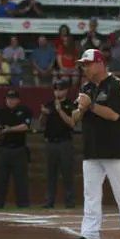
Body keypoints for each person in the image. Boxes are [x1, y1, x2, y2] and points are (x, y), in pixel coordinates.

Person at [69, 49, 120, 239]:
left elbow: (115, 115)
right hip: (91, 149)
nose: (85, 68)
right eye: (83, 64)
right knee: (90, 194)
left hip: (114, 148)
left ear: (100, 63)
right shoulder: (86, 87)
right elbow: (74, 118)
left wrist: (90, 106)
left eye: (88, 64)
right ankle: (89, 234)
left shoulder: (116, 85)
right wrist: (80, 110)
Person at [0, 90, 32, 208]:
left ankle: (22, 203)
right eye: (9, 98)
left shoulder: (24, 110)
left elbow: (25, 126)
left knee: (21, 178)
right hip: (3, 148)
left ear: (18, 100)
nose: (11, 100)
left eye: (13, 98)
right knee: (1, 178)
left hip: (19, 149)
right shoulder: (0, 111)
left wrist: (9, 129)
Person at [40, 79, 76, 209]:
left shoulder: (70, 104)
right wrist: (43, 115)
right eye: (56, 90)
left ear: (66, 90)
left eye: (60, 89)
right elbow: (42, 124)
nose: (58, 92)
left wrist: (59, 110)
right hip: (50, 143)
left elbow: (72, 123)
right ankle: (49, 201)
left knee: (67, 173)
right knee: (50, 174)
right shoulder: (48, 104)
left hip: (64, 143)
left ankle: (69, 201)